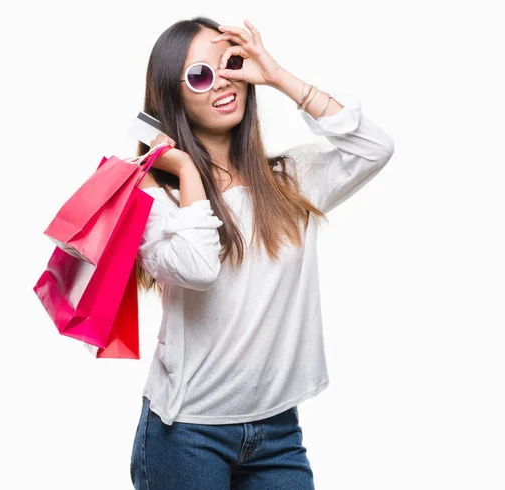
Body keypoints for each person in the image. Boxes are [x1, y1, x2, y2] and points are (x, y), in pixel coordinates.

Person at [129, 16, 395, 489]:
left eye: (229, 63)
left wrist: (277, 76)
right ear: (174, 97)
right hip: (187, 433)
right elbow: (198, 268)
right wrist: (188, 172)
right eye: (199, 75)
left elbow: (374, 147)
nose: (223, 82)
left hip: (277, 430)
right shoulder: (154, 197)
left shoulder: (290, 180)